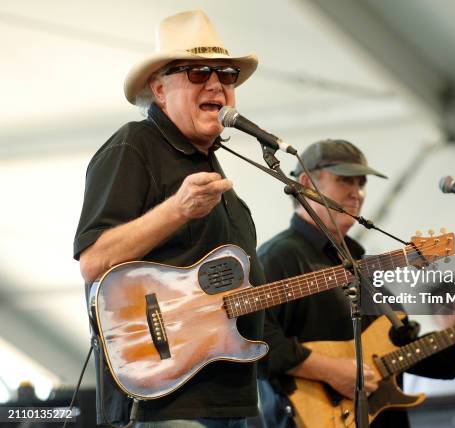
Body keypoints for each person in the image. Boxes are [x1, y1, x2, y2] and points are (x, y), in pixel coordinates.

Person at [254, 139, 455, 428]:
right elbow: (254, 342)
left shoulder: (360, 261)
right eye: (344, 180)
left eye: (361, 183)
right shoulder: (278, 257)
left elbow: (409, 352)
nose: (357, 193)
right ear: (305, 183)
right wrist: (331, 370)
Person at [74, 10, 264, 428]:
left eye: (227, 74)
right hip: (163, 402)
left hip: (231, 400)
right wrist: (177, 210)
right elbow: (93, 260)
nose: (217, 84)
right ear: (160, 90)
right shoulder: (133, 146)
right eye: (198, 72)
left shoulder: (216, 170)